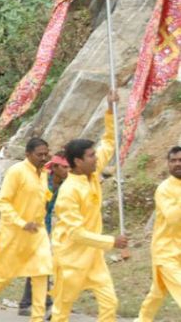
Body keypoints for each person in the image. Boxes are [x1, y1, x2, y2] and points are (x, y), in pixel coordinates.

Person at [50, 91, 128, 322]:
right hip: (71, 259)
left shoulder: (91, 173)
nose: (96, 158)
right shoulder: (68, 192)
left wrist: (110, 110)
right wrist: (112, 242)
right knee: (61, 312)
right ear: (77, 162)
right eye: (91, 156)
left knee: (110, 304)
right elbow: (76, 233)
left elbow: (110, 142)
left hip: (93, 258)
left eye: (95, 155)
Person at [0, 137, 53, 322]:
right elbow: (3, 201)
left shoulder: (44, 173)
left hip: (37, 233)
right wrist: (21, 222)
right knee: (3, 276)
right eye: (39, 154)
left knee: (41, 272)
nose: (44, 158)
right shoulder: (16, 172)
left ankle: (37, 317)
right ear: (28, 154)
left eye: (46, 154)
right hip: (14, 232)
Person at [18, 152, 69, 316]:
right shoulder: (41, 180)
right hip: (30, 223)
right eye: (65, 167)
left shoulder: (63, 183)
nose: (68, 170)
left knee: (40, 263)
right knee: (41, 261)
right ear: (55, 167)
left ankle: (30, 303)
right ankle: (39, 302)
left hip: (44, 224)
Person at [135, 146, 181, 321]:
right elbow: (173, 218)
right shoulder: (164, 189)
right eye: (173, 161)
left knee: (157, 293)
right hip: (166, 252)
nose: (177, 164)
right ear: (168, 164)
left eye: (180, 160)